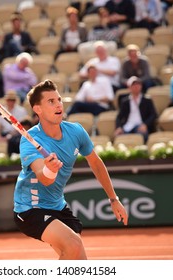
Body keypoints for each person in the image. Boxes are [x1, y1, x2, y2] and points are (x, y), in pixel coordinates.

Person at [13, 79, 128, 260]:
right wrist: (50, 169)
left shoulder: (75, 132)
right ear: (38, 109)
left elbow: (96, 164)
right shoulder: (29, 139)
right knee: (73, 243)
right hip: (30, 209)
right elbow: (44, 179)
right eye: (51, 101)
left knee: (78, 260)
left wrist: (113, 199)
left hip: (58, 206)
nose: (59, 104)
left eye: (59, 99)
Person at [114, 76, 158, 142]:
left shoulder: (147, 100)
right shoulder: (125, 101)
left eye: (138, 84)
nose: (136, 86)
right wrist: (119, 127)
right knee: (120, 139)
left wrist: (145, 124)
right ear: (129, 87)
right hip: (127, 126)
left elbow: (153, 114)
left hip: (141, 126)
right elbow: (119, 117)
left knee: (142, 135)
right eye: (133, 85)